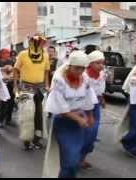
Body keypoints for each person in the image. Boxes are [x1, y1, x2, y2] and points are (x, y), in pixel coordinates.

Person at [44, 50, 98, 178]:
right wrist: (78, 119)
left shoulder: (84, 79)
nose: (79, 71)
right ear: (69, 66)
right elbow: (61, 106)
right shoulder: (59, 80)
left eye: (82, 68)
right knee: (70, 159)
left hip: (78, 124)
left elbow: (88, 99)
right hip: (63, 123)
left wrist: (90, 116)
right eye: (76, 68)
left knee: (74, 160)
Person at [13, 33, 50, 150]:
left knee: (40, 114)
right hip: (26, 87)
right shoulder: (23, 54)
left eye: (40, 42)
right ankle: (27, 139)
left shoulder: (45, 55)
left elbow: (46, 71)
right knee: (27, 113)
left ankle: (37, 138)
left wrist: (47, 85)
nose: (38, 44)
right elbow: (16, 69)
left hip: (40, 88)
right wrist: (15, 86)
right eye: (35, 41)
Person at [80, 50, 106, 169]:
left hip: (95, 107)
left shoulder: (101, 74)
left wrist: (102, 99)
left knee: (92, 134)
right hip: (83, 107)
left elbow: (100, 89)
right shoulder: (83, 76)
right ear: (90, 63)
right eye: (98, 63)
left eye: (102, 63)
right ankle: (76, 157)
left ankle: (82, 158)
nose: (101, 65)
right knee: (83, 134)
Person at [0, 48, 16, 131]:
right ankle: (0, 120)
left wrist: (13, 79)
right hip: (2, 85)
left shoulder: (12, 61)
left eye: (8, 53)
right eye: (5, 53)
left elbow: (15, 70)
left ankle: (8, 119)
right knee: (3, 102)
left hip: (10, 84)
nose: (7, 55)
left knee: (11, 101)